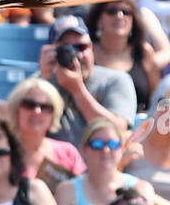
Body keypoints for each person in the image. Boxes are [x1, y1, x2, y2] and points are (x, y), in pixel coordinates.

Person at [56, 117, 155, 205]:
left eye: (113, 145)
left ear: (122, 148)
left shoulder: (142, 188)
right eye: (97, 145)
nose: (106, 150)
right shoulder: (67, 190)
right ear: (84, 150)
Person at [37, 14, 136, 143]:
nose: (77, 55)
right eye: (67, 49)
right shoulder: (39, 83)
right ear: (52, 51)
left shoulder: (116, 80)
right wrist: (44, 81)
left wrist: (78, 91)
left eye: (81, 47)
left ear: (92, 48)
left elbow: (117, 131)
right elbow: (25, 134)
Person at [1, 74, 85, 192]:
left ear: (54, 114)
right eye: (29, 105)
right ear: (16, 109)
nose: (37, 111)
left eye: (45, 107)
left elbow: (81, 194)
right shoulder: (0, 152)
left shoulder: (68, 153)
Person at [85, 0, 170, 109]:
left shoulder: (143, 52)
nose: (120, 16)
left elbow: (156, 98)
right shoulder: (86, 51)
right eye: (111, 11)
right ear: (98, 20)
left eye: (126, 12)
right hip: (96, 124)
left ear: (133, 19)